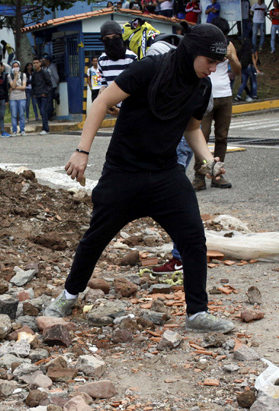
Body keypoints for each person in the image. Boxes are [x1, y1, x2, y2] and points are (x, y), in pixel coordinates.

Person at [46, 24, 236, 334]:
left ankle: (197, 313)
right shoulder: (150, 68)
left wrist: (208, 160)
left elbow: (191, 129)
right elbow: (101, 103)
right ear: (191, 52)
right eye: (209, 61)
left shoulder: (202, 86)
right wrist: (82, 151)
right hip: (124, 173)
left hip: (165, 174)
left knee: (193, 239)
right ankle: (68, 297)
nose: (213, 68)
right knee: (95, 239)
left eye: (218, 63)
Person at [193, 18, 241, 191]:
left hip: (225, 94)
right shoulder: (205, 45)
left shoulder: (228, 45)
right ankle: (199, 175)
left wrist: (232, 58)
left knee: (222, 136)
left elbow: (237, 70)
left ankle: (217, 174)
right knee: (202, 136)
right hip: (207, 95)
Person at [98, 21, 138, 116]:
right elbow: (104, 84)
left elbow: (136, 89)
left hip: (133, 110)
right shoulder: (102, 60)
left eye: (115, 38)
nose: (111, 41)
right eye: (107, 39)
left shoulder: (132, 58)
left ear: (121, 37)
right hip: (115, 109)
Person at [32, 58, 52, 135]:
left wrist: (46, 92)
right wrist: (34, 93)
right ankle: (44, 128)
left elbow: (49, 83)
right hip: (37, 95)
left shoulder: (44, 72)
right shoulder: (34, 74)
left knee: (44, 111)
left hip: (44, 95)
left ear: (40, 63)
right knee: (41, 111)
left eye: (37, 63)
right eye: (34, 63)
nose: (35, 64)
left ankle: (45, 128)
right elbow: (33, 84)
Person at [8, 60, 27, 137]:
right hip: (13, 97)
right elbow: (12, 86)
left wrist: (15, 87)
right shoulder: (9, 76)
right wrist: (15, 77)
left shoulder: (23, 75)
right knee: (14, 115)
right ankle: (14, 130)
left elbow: (24, 87)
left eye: (17, 66)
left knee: (22, 114)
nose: (15, 68)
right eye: (14, 66)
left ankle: (22, 130)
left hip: (22, 97)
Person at [42, 55, 59, 119]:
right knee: (49, 100)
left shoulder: (52, 67)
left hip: (52, 85)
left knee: (50, 100)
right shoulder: (46, 67)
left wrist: (56, 83)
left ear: (48, 61)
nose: (44, 61)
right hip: (48, 86)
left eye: (45, 60)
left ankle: (50, 114)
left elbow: (56, 76)